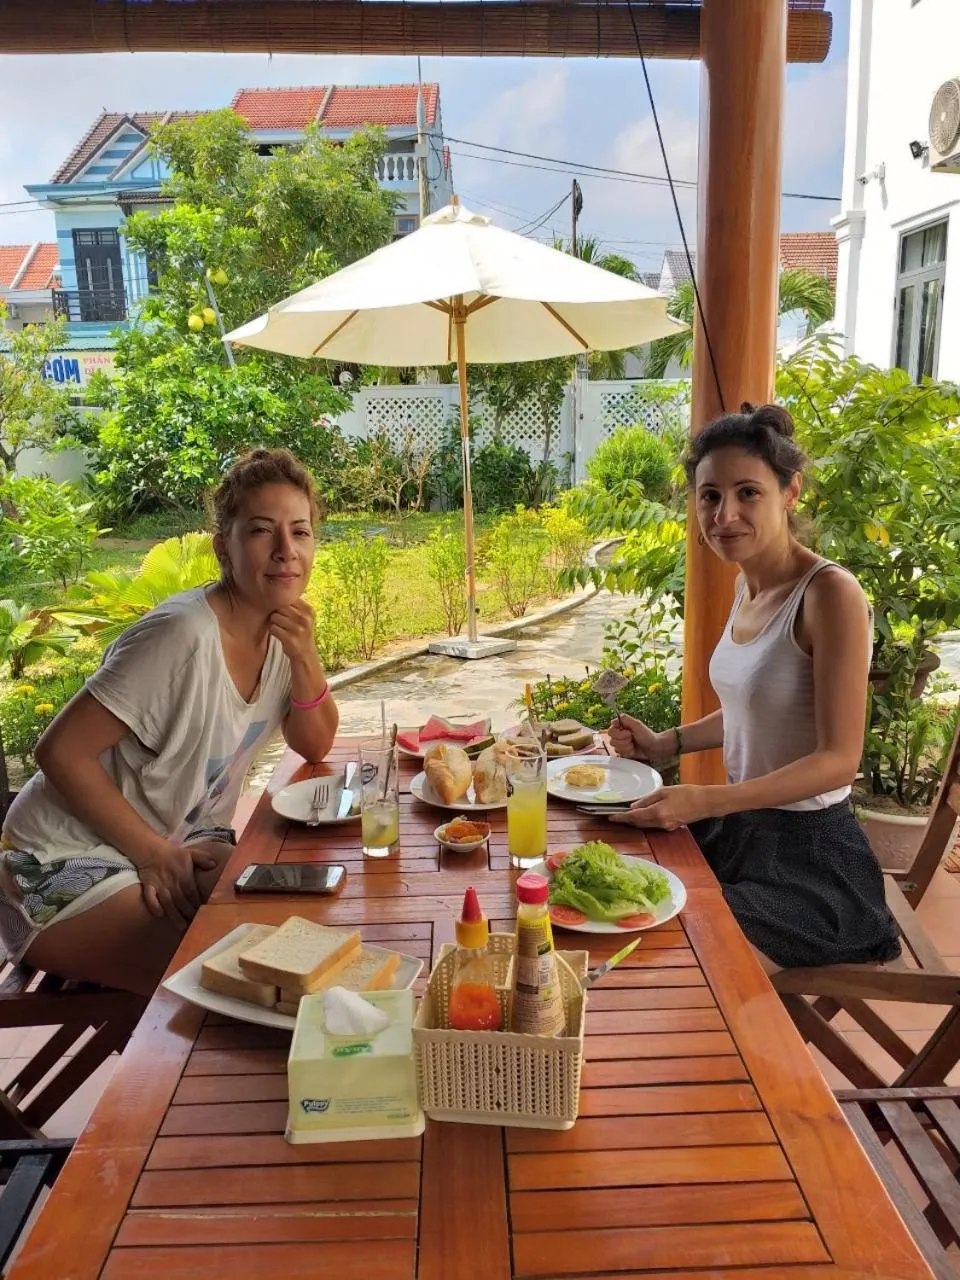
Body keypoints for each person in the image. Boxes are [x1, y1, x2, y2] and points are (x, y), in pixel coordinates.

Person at [0, 448, 339, 995]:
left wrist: (305, 656)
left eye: (300, 532)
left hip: (175, 840)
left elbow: (316, 744)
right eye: (261, 531)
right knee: (249, 983)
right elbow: (58, 751)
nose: (285, 550)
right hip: (58, 861)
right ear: (223, 547)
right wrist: (153, 854)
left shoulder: (284, 631)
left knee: (299, 914)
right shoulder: (182, 634)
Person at [608, 402, 900, 973]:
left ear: (790, 492)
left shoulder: (829, 595)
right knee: (621, 882)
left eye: (748, 492)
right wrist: (666, 743)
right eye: (709, 496)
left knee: (674, 951)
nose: (725, 515)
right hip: (745, 833)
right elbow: (755, 708)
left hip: (811, 863)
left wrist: (708, 799)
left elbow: (839, 760)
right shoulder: (749, 587)